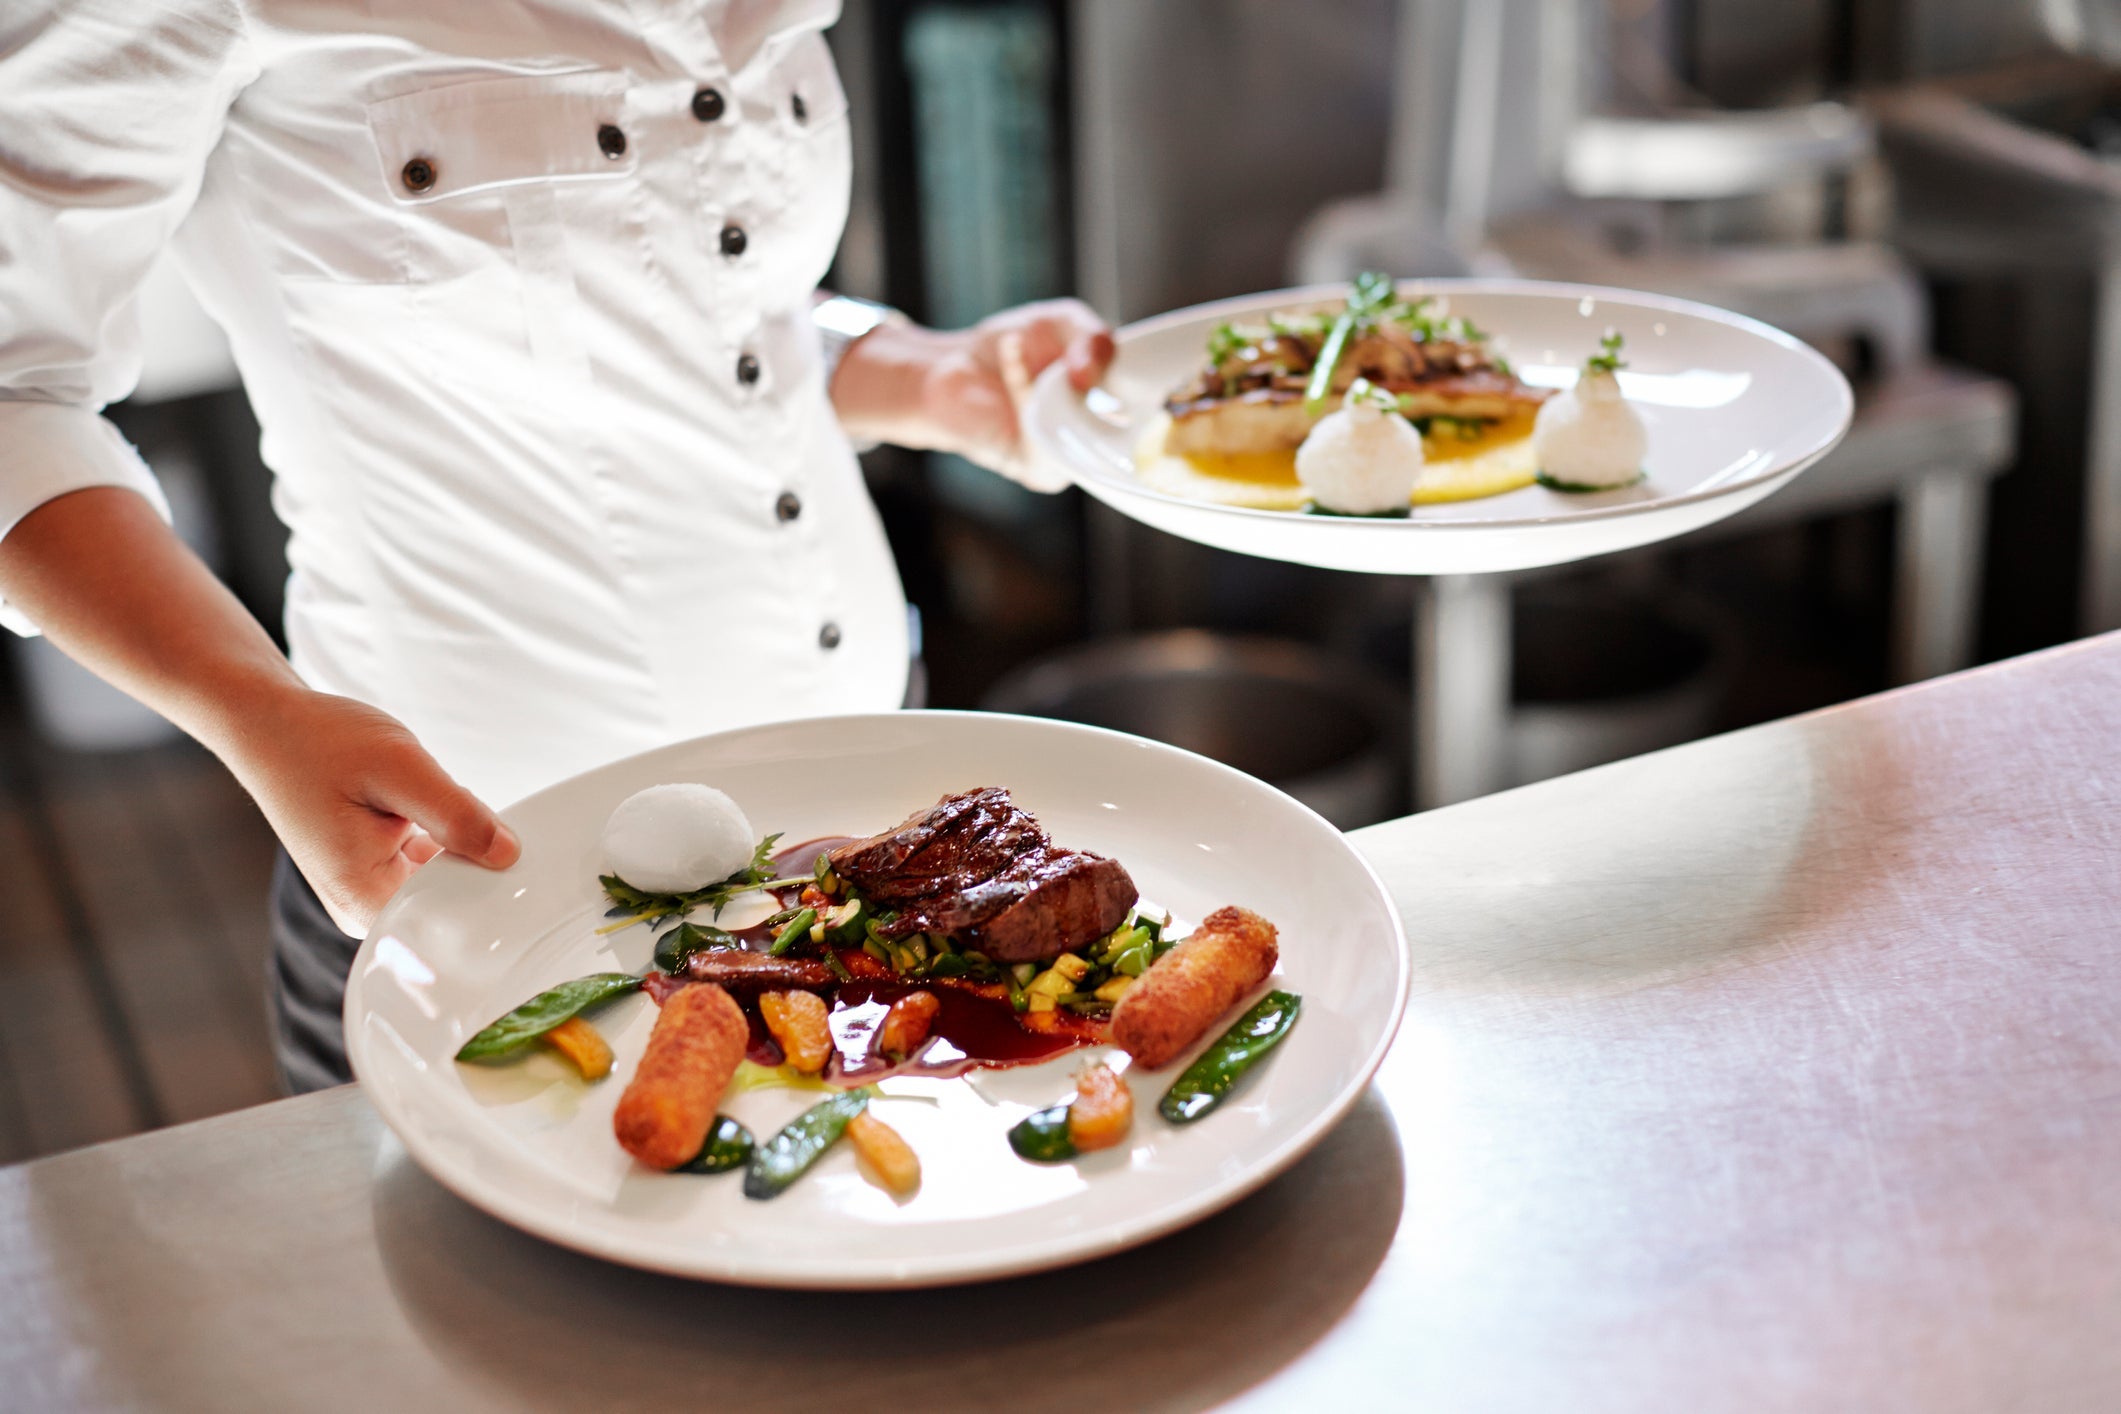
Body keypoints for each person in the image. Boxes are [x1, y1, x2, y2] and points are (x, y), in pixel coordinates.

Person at [0, 0, 1112, 1092]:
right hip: (485, 890)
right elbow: (14, 394)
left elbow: (698, 293)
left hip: (870, 828)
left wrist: (911, 373)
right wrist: (259, 712)